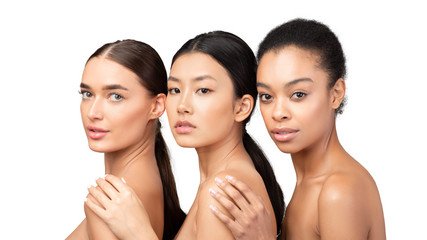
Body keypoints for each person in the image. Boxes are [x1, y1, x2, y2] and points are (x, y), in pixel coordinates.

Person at [85, 31, 285, 239]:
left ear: (242, 107)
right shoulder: (222, 183)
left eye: (203, 90)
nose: (182, 106)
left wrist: (139, 232)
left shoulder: (223, 193)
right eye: (175, 90)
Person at [210, 18, 386, 239]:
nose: (278, 112)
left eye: (298, 94)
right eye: (266, 96)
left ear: (336, 93)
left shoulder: (338, 191)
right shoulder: (309, 184)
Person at [66, 40, 185, 240]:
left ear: (156, 106)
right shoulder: (135, 191)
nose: (93, 112)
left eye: (115, 96)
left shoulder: (111, 203)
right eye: (87, 94)